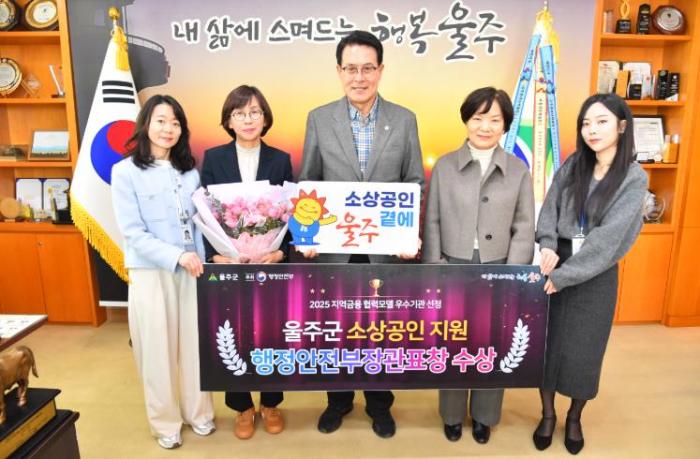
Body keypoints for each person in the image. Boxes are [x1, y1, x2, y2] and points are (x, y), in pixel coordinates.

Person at [299, 30, 424, 438]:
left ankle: (379, 404)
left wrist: (406, 236)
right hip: (335, 251)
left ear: (380, 70)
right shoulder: (319, 118)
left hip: (384, 252)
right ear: (339, 71)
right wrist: (308, 236)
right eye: (350, 68)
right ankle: (337, 401)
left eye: (367, 68)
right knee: (335, 327)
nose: (359, 77)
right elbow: (309, 182)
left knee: (380, 330)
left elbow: (413, 182)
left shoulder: (404, 120)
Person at [533, 93, 647, 455]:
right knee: (547, 347)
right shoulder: (574, 164)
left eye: (601, 122)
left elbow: (609, 240)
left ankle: (574, 416)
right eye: (586, 123)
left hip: (596, 273)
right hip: (556, 261)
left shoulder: (633, 178)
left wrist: (566, 276)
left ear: (622, 126)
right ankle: (547, 414)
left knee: (584, 352)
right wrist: (547, 244)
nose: (592, 130)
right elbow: (550, 207)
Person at [422, 87, 535, 445]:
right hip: (452, 265)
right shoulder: (445, 167)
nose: (485, 127)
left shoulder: (518, 170)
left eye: (494, 120)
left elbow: (524, 227)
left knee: (493, 342)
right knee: (453, 340)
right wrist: (435, 267)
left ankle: (485, 416)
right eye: (478, 118)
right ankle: (452, 415)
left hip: (498, 266)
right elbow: (432, 220)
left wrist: (513, 274)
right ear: (466, 120)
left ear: (505, 125)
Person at [111, 94, 215, 449]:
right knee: (157, 350)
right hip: (151, 272)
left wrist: (202, 260)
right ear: (145, 124)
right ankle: (165, 423)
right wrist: (176, 256)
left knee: (194, 346)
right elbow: (133, 232)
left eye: (175, 123)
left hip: (192, 271)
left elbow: (200, 224)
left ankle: (199, 413)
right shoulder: (125, 171)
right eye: (161, 120)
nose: (168, 128)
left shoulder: (189, 172)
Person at [200, 85, 292, 440]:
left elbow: (291, 212)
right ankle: (241, 406)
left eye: (255, 112)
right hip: (229, 264)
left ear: (265, 118)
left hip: (269, 263)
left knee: (272, 332)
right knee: (231, 332)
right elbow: (205, 212)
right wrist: (217, 255)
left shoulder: (280, 159)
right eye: (239, 113)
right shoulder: (214, 158)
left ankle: (271, 403)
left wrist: (281, 253)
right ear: (228, 121)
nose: (248, 119)